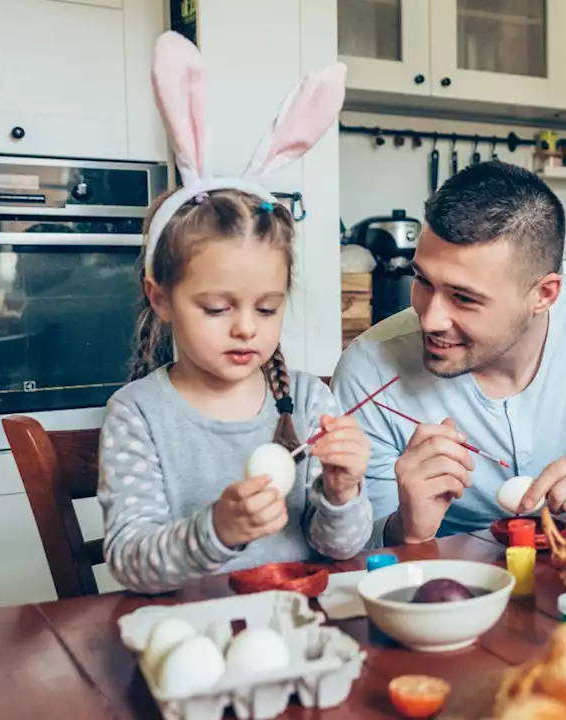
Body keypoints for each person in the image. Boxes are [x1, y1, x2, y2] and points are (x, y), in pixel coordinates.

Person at [99, 33, 373, 594]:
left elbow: (341, 549)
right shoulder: (138, 415)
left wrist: (343, 491)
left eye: (267, 307)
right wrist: (216, 530)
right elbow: (129, 561)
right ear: (160, 298)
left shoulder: (307, 398)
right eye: (218, 307)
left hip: (304, 629)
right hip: (191, 635)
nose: (247, 326)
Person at [333, 161, 566, 546]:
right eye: (423, 281)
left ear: (543, 295)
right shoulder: (370, 369)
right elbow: (351, 550)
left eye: (464, 298)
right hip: (440, 587)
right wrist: (406, 526)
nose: (429, 320)